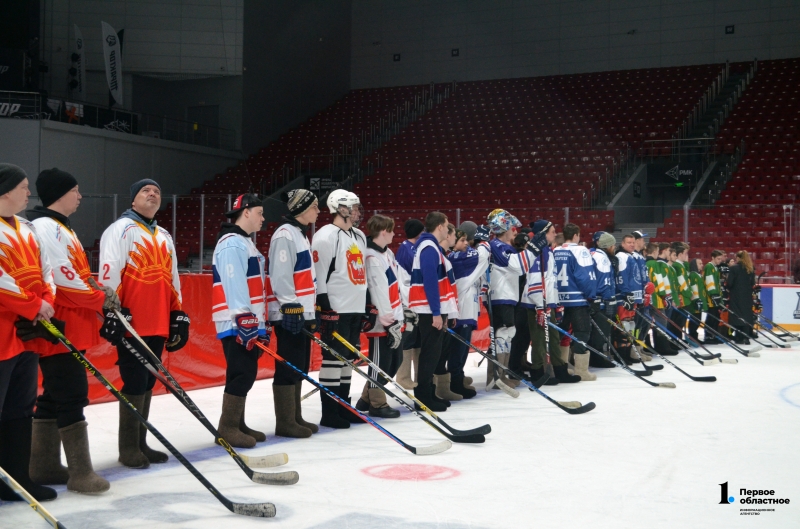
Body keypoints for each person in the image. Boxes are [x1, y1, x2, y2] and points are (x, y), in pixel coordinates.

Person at [26, 168, 112, 493]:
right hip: (59, 326)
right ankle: (80, 473)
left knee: (54, 394)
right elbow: (65, 282)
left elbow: (79, 273)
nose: (80, 196)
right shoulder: (46, 227)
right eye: (76, 190)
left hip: (71, 326)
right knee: (72, 393)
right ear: (61, 193)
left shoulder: (63, 228)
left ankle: (43, 465)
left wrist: (96, 288)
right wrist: (100, 299)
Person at [99, 179, 189, 469]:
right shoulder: (120, 229)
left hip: (159, 320)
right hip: (132, 321)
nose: (152, 194)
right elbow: (110, 271)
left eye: (157, 192)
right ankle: (128, 448)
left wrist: (178, 315)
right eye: (145, 191)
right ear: (133, 199)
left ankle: (140, 442)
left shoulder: (163, 234)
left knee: (149, 380)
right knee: (135, 380)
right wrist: (112, 310)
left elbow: (174, 278)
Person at [0, 164, 58, 502]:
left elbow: (45, 269)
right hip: (8, 327)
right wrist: (34, 305)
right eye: (23, 187)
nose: (28, 192)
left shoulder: (27, 226)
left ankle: (17, 478)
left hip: (27, 329)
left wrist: (46, 302)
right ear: (5, 190)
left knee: (21, 408)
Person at [212, 194, 277, 445]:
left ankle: (237, 423)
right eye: (260, 212)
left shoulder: (245, 242)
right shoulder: (232, 243)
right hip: (235, 322)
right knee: (242, 372)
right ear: (246, 212)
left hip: (248, 320)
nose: (263, 218)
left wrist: (261, 322)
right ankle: (227, 427)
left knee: (245, 372)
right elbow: (234, 283)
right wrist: (244, 319)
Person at [265, 189, 320, 435]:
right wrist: (290, 306)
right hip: (290, 312)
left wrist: (311, 309)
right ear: (301, 208)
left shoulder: (300, 234)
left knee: (300, 365)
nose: (318, 212)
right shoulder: (285, 235)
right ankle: (285, 422)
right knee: (288, 365)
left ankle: (295, 416)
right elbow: (281, 274)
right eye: (314, 207)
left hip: (302, 311)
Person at [312, 189, 368, 428]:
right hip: (337, 308)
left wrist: (368, 305)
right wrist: (325, 307)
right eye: (353, 207)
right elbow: (319, 275)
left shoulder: (360, 236)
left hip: (355, 307)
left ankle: (344, 406)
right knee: (333, 360)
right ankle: (330, 411)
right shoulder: (326, 236)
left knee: (348, 359)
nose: (357, 211)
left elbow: (361, 273)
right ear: (341, 208)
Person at [485, 209, 547, 389]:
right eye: (512, 227)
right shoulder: (497, 246)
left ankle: (500, 376)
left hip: (506, 297)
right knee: (502, 336)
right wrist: (534, 249)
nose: (515, 231)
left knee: (505, 335)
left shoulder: (503, 246)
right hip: (500, 298)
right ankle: (496, 377)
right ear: (504, 227)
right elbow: (518, 266)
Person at [355, 214, 404, 418]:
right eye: (391, 230)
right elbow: (378, 292)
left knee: (396, 360)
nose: (394, 234)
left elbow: (396, 284)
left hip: (394, 316)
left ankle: (366, 398)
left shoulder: (387, 253)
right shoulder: (371, 257)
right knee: (380, 362)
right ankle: (377, 402)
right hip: (380, 320)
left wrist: (404, 310)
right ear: (383, 231)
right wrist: (388, 321)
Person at [408, 211, 457, 411]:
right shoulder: (428, 247)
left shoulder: (432, 247)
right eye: (446, 225)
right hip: (428, 309)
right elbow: (430, 282)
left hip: (433, 309)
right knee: (429, 354)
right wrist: (437, 312)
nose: (448, 228)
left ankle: (428, 394)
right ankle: (423, 398)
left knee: (433, 353)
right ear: (439, 227)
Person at [520, 219, 578, 384]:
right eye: (552, 231)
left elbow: (550, 280)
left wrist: (555, 302)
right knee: (539, 338)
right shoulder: (538, 251)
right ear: (543, 233)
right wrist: (540, 305)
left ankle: (559, 370)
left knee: (553, 336)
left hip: (547, 302)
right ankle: (538, 372)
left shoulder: (548, 251)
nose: (555, 233)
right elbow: (534, 279)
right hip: (537, 304)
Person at [444, 222, 489, 398]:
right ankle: (455, 382)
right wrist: (484, 242)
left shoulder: (460, 255)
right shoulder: (458, 257)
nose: (466, 244)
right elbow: (483, 257)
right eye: (461, 240)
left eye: (465, 240)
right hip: (461, 311)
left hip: (466, 310)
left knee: (461, 350)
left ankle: (457, 378)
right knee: (458, 350)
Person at [553, 223, 597, 381]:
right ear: (576, 235)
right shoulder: (581, 250)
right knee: (582, 333)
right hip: (577, 299)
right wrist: (591, 295)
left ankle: (560, 366)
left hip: (559, 299)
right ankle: (581, 370)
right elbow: (585, 276)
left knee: (560, 334)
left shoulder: (556, 250)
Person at [395, 218, 424, 390]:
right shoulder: (405, 250)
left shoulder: (414, 248)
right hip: (409, 303)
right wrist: (409, 304)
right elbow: (403, 281)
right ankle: (403, 376)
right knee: (408, 339)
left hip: (417, 302)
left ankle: (418, 375)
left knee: (418, 340)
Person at [615, 234, 649, 362]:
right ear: (622, 244)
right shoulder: (622, 256)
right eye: (629, 242)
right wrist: (626, 294)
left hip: (632, 297)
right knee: (623, 326)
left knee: (630, 326)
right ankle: (621, 355)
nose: (632, 245)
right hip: (625, 297)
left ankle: (627, 354)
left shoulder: (630, 256)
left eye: (633, 242)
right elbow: (621, 277)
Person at [588, 232, 619, 369]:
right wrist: (609, 299)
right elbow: (605, 281)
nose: (614, 247)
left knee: (592, 331)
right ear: (608, 246)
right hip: (601, 301)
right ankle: (597, 358)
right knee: (601, 331)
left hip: (591, 299)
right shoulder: (603, 258)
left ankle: (594, 357)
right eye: (613, 245)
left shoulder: (591, 253)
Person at [645, 242, 677, 355]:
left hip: (647, 298)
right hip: (657, 299)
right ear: (654, 252)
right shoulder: (654, 263)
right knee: (662, 322)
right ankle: (662, 346)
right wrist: (666, 295)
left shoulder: (646, 262)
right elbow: (659, 281)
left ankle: (647, 345)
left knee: (647, 323)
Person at [725, 250, 756, 344]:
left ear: (738, 258)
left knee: (737, 316)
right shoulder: (750, 268)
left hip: (736, 296)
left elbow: (730, 283)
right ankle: (746, 336)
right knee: (746, 315)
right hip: (747, 296)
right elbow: (752, 283)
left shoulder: (734, 268)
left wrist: (727, 286)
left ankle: (738, 337)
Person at [703, 250, 726, 344]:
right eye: (718, 258)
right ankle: (708, 336)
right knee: (711, 317)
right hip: (711, 298)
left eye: (721, 259)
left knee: (716, 317)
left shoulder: (715, 268)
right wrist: (714, 294)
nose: (719, 260)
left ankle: (714, 335)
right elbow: (709, 281)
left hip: (715, 297)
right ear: (712, 258)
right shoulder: (709, 266)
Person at [687, 257, 706, 340]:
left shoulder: (698, 275)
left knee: (697, 320)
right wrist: (696, 300)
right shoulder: (693, 274)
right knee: (694, 320)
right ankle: (692, 337)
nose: (702, 265)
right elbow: (694, 288)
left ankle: (695, 336)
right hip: (696, 302)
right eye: (700, 263)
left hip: (699, 301)